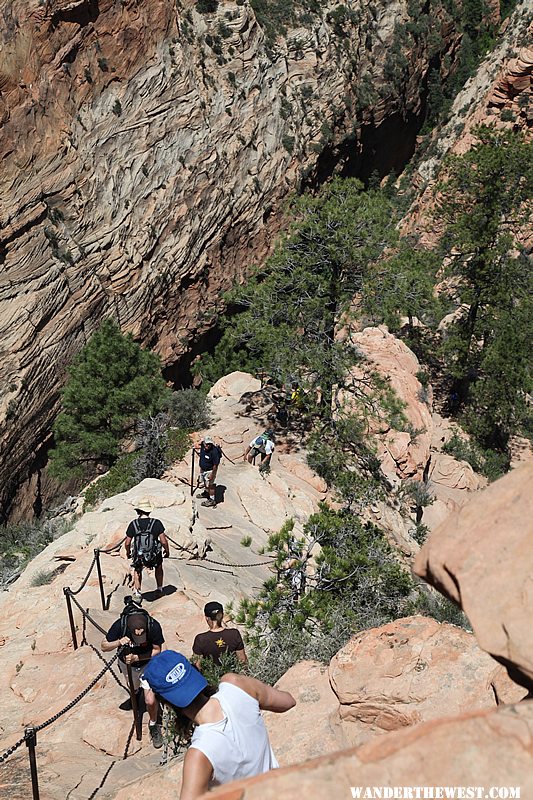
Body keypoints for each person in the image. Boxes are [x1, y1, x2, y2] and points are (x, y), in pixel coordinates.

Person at [142, 650, 295, 799]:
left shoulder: (200, 754)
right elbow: (288, 701)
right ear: (195, 670)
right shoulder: (236, 685)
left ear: (166, 703)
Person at [101, 599, 165, 748]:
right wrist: (118, 643)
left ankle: (153, 724)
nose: (139, 635)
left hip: (147, 663)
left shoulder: (153, 625)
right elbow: (104, 646)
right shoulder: (120, 625)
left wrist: (138, 657)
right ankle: (135, 695)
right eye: (136, 634)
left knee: (149, 700)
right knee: (133, 687)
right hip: (127, 665)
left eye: (142, 634)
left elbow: (157, 650)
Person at [124, 498, 170, 602]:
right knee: (159, 567)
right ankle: (159, 589)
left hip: (139, 554)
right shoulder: (156, 523)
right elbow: (163, 541)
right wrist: (167, 551)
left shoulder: (133, 524)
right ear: (149, 510)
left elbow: (127, 542)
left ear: (138, 511)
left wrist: (128, 553)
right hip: (153, 554)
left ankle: (137, 593)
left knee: (137, 569)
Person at [192, 602, 248, 667]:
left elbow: (197, 666)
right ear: (222, 616)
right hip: (232, 675)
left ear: (206, 618)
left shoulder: (201, 639)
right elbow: (243, 661)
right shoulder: (234, 634)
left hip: (210, 676)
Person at [196, 435, 221, 509]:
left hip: (210, 470)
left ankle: (212, 500)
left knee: (211, 485)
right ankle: (206, 493)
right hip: (203, 469)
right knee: (205, 483)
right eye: (206, 444)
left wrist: (212, 475)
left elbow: (215, 465)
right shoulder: (203, 447)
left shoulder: (214, 451)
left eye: (209, 444)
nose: (207, 445)